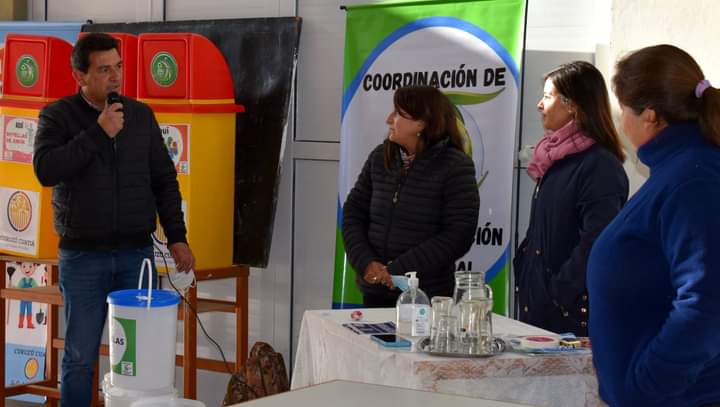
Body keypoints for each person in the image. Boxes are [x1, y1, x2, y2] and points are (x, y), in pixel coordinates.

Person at [33, 33, 195, 407]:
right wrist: (98, 132)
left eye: (118, 67)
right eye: (104, 69)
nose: (115, 76)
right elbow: (45, 169)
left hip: (135, 256)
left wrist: (177, 237)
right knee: (79, 357)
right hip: (83, 257)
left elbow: (164, 180)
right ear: (80, 76)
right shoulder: (58, 115)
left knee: (141, 355)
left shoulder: (140, 115)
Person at [588, 44, 720, 407]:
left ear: (649, 116)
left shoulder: (694, 179)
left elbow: (706, 303)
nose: (620, 124)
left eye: (622, 111)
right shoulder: (677, 171)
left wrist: (644, 386)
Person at [513, 61, 628, 336]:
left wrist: (558, 292)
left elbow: (597, 241)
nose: (540, 105)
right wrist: (525, 268)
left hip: (570, 318)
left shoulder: (599, 165)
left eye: (547, 96)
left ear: (573, 105)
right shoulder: (554, 160)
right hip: (541, 308)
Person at [342, 85, 479, 307]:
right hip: (376, 292)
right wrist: (366, 262)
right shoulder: (380, 157)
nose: (388, 119)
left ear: (421, 124)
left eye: (398, 113)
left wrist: (397, 270)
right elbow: (353, 213)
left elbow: (458, 235)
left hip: (425, 296)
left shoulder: (455, 166)